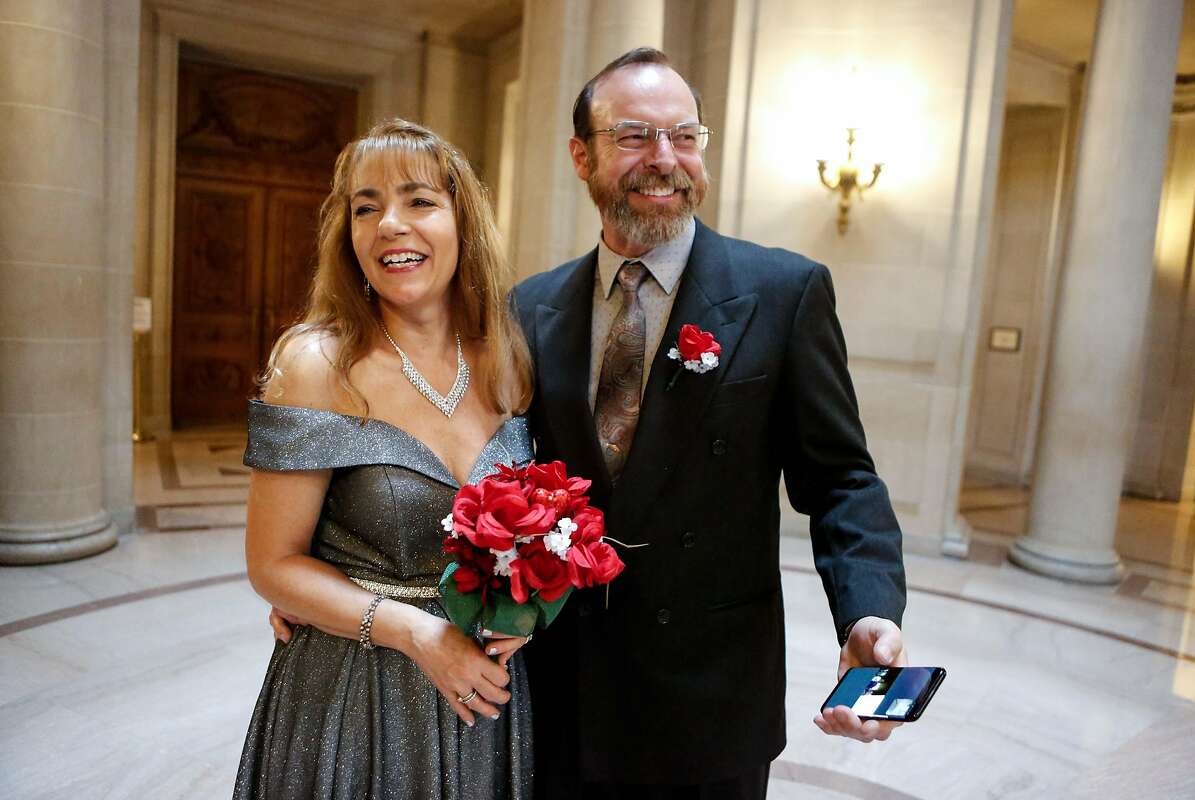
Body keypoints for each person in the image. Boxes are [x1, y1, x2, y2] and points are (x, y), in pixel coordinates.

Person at [511, 48, 909, 799]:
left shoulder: (783, 293)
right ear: (582, 155)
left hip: (710, 699)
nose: (665, 159)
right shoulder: (529, 308)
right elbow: (488, 477)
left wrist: (868, 609)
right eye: (634, 135)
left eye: (685, 136)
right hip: (562, 690)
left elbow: (841, 480)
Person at [236, 118, 536, 800]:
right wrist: (415, 633)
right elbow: (272, 563)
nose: (388, 224)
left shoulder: (506, 360)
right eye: (365, 207)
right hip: (356, 692)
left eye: (418, 200)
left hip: (487, 696)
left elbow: (540, 530)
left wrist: (526, 612)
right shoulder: (315, 362)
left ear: (463, 219)